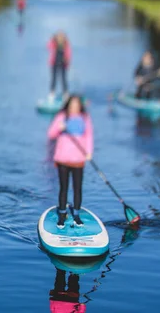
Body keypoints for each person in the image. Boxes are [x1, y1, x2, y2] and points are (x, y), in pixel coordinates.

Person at [47, 95, 93, 228]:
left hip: (78, 159)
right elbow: (51, 134)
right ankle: (62, 215)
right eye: (72, 105)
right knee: (64, 187)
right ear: (68, 105)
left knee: (77, 188)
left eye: (77, 105)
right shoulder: (62, 116)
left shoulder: (85, 118)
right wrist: (59, 128)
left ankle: (76, 215)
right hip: (63, 159)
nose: (74, 108)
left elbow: (89, 135)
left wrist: (89, 152)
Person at [48, 31, 72, 101]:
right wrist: (52, 39)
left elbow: (69, 54)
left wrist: (68, 62)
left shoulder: (66, 44)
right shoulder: (54, 44)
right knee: (53, 79)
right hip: (54, 63)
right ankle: (52, 94)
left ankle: (65, 94)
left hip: (63, 64)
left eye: (62, 36)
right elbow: (48, 46)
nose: (60, 38)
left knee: (63, 79)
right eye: (59, 36)